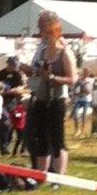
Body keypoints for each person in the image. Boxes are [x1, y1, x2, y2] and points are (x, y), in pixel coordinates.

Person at [19, 10, 76, 174]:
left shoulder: (65, 52)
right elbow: (38, 72)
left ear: (54, 30)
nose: (41, 33)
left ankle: (59, 177)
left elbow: (73, 79)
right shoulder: (42, 51)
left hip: (57, 101)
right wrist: (28, 70)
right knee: (41, 138)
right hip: (40, 99)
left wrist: (52, 77)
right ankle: (40, 176)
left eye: (44, 29)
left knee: (57, 140)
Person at [71, 67, 94, 137]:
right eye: (84, 72)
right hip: (78, 99)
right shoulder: (79, 80)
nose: (85, 74)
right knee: (75, 115)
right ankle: (77, 130)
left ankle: (82, 130)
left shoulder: (90, 80)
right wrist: (74, 96)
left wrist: (89, 93)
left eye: (86, 73)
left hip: (86, 99)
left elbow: (91, 90)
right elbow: (74, 88)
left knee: (84, 115)